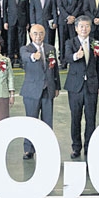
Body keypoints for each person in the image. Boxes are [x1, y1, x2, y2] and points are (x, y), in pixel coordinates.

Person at [64, 16, 99, 159]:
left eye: (87, 26)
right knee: (75, 118)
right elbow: (66, 57)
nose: (84, 28)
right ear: (76, 28)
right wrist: (76, 55)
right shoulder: (70, 42)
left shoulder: (96, 43)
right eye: (81, 26)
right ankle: (76, 147)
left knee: (90, 118)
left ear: (90, 28)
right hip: (75, 87)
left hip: (91, 86)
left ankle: (89, 146)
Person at [19, 24, 61, 160]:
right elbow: (25, 57)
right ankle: (28, 149)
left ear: (45, 34)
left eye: (41, 33)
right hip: (32, 91)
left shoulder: (50, 49)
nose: (38, 36)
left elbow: (55, 70)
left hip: (48, 89)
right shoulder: (25, 49)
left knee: (47, 121)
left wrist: (57, 87)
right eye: (35, 33)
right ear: (30, 35)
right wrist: (33, 56)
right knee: (31, 121)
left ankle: (46, 147)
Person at [2, 0, 29, 67]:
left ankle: (22, 60)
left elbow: (27, 8)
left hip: (22, 20)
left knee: (22, 41)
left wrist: (28, 22)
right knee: (10, 40)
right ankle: (11, 60)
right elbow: (4, 8)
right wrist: (5, 21)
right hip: (11, 20)